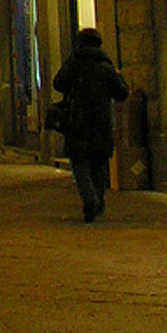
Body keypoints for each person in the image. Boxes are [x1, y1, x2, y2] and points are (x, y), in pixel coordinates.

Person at [51, 28, 130, 221]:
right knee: (99, 162)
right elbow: (121, 93)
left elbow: (58, 84)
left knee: (80, 163)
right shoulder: (106, 66)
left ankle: (90, 200)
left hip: (76, 119)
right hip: (101, 120)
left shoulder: (73, 63)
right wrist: (119, 77)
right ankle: (99, 200)